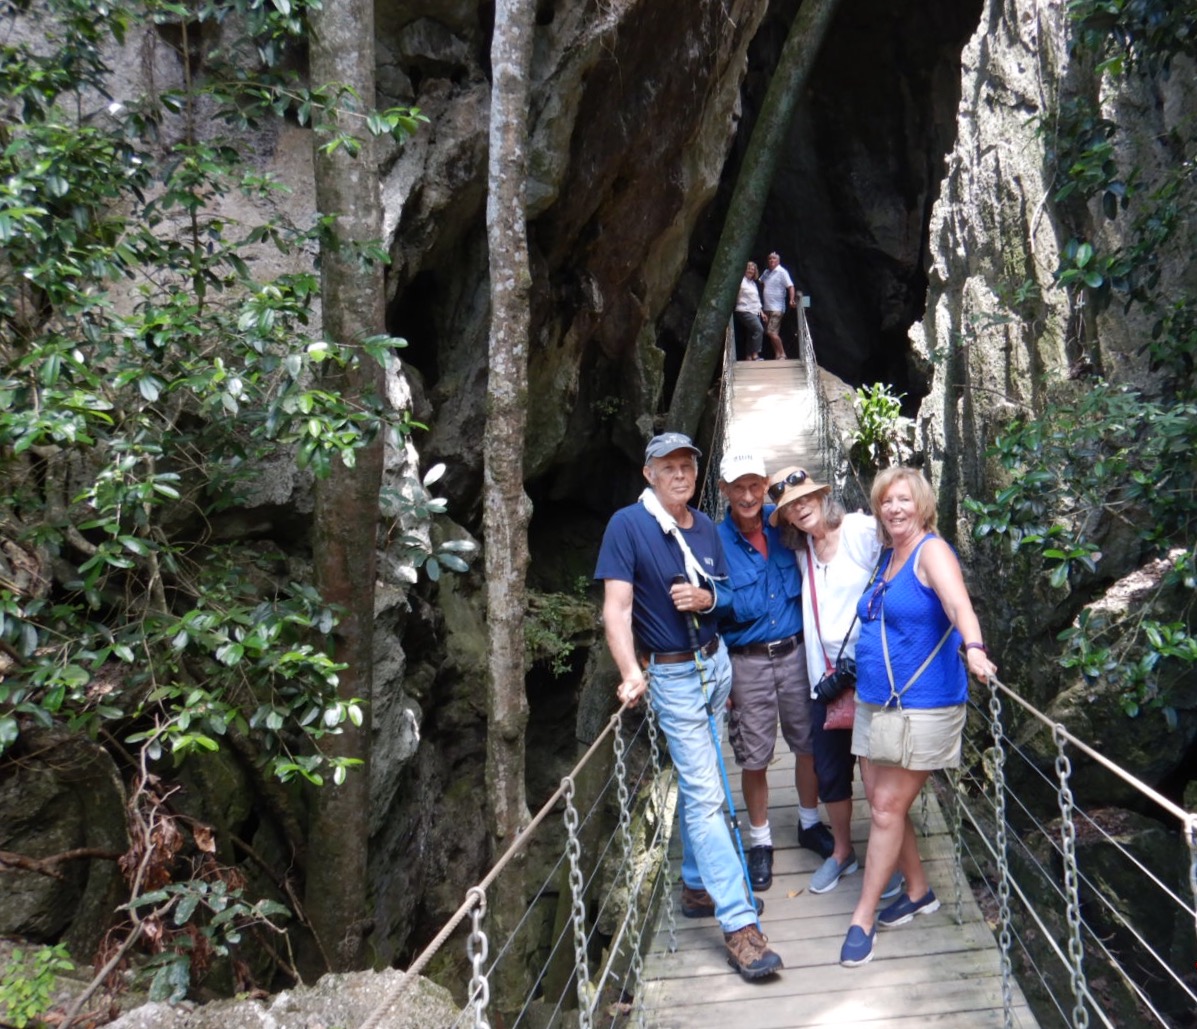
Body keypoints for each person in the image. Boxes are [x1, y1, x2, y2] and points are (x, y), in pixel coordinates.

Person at [595, 432, 783, 981]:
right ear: (649, 474)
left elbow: (724, 598)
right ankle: (740, 925)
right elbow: (616, 608)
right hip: (674, 676)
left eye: (687, 466)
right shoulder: (627, 526)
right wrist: (631, 671)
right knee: (705, 796)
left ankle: (699, 887)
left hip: (715, 664)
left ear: (698, 476)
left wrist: (706, 598)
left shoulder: (703, 526)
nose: (679, 475)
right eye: (668, 467)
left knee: (705, 782)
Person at [837, 466, 997, 968]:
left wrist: (974, 648)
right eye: (886, 501)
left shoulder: (932, 552)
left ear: (922, 504)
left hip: (923, 705)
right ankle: (918, 890)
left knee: (886, 807)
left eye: (903, 499)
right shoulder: (889, 555)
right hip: (874, 702)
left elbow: (958, 605)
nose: (894, 508)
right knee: (883, 804)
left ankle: (862, 918)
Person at [773, 469, 903, 899]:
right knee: (830, 774)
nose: (800, 508)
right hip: (825, 680)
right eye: (790, 506)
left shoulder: (859, 531)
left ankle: (890, 861)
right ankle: (843, 851)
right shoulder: (803, 550)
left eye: (804, 498)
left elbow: (904, 548)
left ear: (822, 496)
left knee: (878, 775)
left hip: (872, 678)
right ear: (786, 518)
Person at [715, 454, 833, 894]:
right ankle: (760, 840)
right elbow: (707, 610)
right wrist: (719, 676)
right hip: (745, 661)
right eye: (738, 487)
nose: (748, 496)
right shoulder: (712, 540)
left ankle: (809, 823)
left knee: (807, 744)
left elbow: (826, 536)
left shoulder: (784, 523)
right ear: (724, 490)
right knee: (754, 755)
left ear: (765, 485)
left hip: (797, 655)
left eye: (754, 486)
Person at [758, 252, 796, 361]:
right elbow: (760, 282)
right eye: (770, 258)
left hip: (777, 307)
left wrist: (791, 299)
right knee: (771, 333)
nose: (771, 260)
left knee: (771, 332)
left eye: (774, 258)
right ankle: (777, 355)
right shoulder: (766, 272)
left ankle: (783, 354)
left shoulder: (782, 272)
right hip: (767, 307)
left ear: (778, 261)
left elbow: (790, 286)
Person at [733, 262, 766, 361]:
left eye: (753, 269)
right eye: (749, 268)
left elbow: (756, 300)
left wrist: (762, 313)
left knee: (751, 332)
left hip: (755, 311)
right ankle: (755, 354)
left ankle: (748, 356)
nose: (751, 270)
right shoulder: (740, 281)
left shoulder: (753, 284)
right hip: (744, 309)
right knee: (759, 329)